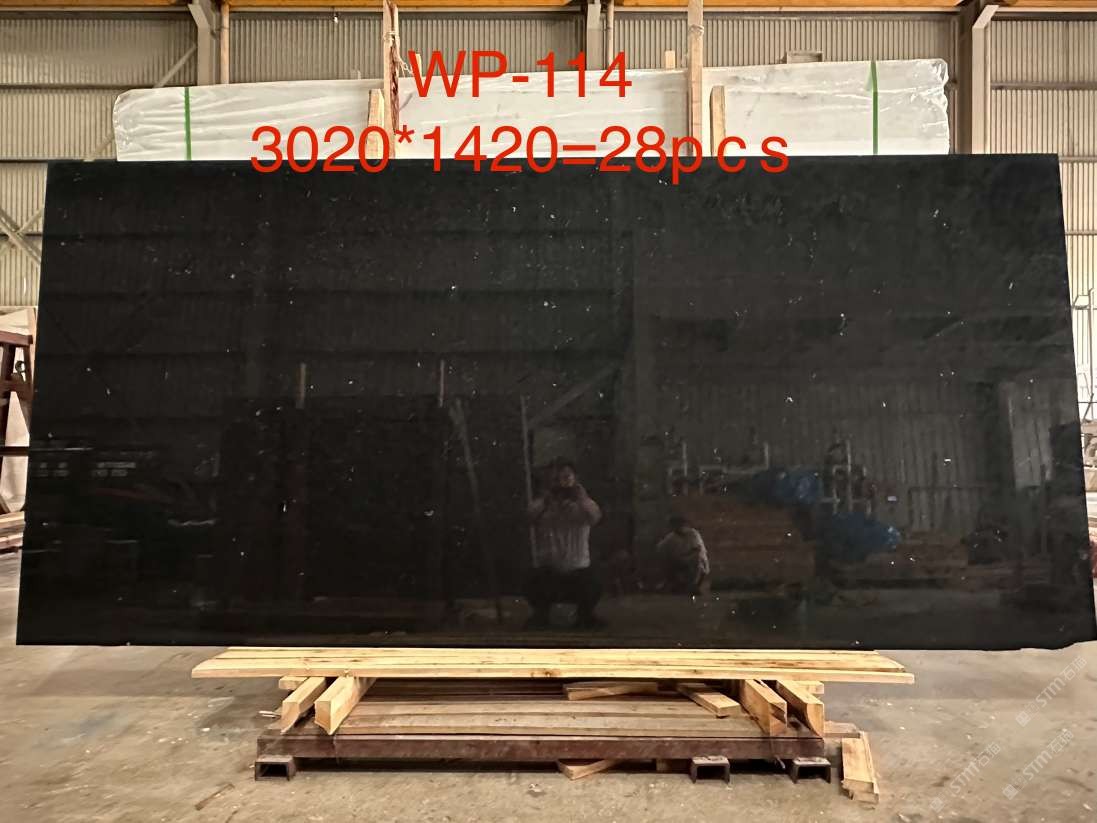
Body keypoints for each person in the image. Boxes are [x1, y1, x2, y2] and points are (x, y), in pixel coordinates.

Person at [526, 459, 604, 629]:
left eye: (566, 477)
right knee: (532, 579)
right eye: (556, 479)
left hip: (578, 570)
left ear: (575, 479)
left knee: (594, 580)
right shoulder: (542, 505)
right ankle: (541, 615)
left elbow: (595, 516)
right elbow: (530, 516)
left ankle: (585, 615)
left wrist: (581, 498)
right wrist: (546, 501)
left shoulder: (583, 506)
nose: (561, 483)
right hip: (549, 570)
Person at [656, 515, 710, 595]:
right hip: (679, 561)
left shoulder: (693, 534)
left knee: (696, 561)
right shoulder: (671, 537)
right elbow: (660, 548)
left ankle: (693, 585)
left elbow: (697, 550)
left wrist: (687, 558)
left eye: (679, 525)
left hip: (694, 561)